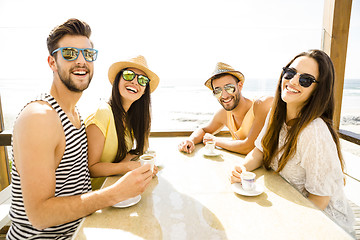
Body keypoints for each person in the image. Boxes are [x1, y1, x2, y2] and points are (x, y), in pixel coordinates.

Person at [7, 19, 153, 240]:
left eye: (88, 54)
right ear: (52, 62)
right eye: (69, 53)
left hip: (82, 228)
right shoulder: (39, 117)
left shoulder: (75, 115)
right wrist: (114, 193)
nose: (81, 61)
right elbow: (39, 215)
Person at [230, 49, 355, 236]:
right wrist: (242, 169)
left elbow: (319, 201)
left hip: (323, 225)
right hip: (287, 206)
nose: (293, 81)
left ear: (317, 91)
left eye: (306, 80)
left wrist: (285, 228)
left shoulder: (314, 132)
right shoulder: (277, 113)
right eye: (290, 73)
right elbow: (260, 151)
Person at [85, 55, 159, 190]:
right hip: (93, 195)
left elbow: (135, 151)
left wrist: (142, 164)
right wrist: (130, 167)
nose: (135, 82)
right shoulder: (103, 113)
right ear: (117, 80)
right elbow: (91, 168)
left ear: (144, 91)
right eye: (129, 75)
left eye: (142, 80)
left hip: (113, 188)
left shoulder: (129, 118)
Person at [178, 62, 273, 154]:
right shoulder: (224, 114)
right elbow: (204, 130)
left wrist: (215, 140)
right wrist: (190, 140)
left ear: (240, 86)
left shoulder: (260, 105)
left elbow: (249, 147)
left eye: (229, 87)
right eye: (217, 91)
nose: (224, 95)